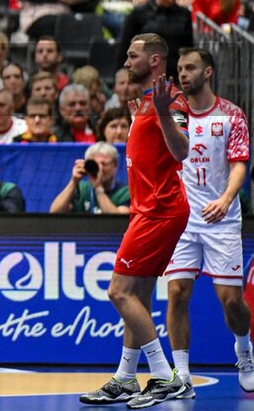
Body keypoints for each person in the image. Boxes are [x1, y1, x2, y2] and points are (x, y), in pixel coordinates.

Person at [79, 33, 190, 407]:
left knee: (118, 292)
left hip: (160, 211)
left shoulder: (170, 100)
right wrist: (143, 116)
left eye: (132, 56)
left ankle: (164, 376)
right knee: (137, 298)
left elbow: (182, 151)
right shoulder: (144, 102)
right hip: (147, 210)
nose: (126, 63)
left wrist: (159, 113)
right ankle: (126, 378)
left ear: (155, 61)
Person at [166, 47, 254, 394]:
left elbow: (239, 165)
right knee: (177, 292)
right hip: (182, 220)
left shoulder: (232, 115)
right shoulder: (175, 114)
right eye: (179, 69)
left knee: (231, 300)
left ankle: (244, 350)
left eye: (190, 68)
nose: (183, 74)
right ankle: (181, 373)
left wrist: (226, 198)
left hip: (221, 218)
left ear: (208, 72)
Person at [117, 0, 193, 77]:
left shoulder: (184, 14)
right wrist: (124, 71)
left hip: (174, 73)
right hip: (145, 72)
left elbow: (188, 46)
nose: (171, 0)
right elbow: (125, 45)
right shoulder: (139, 13)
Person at [50, 141, 129, 214]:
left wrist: (98, 188)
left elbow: (117, 221)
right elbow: (55, 212)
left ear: (115, 166)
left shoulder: (125, 192)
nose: (100, 168)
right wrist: (73, 182)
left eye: (104, 164)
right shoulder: (81, 189)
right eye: (95, 164)